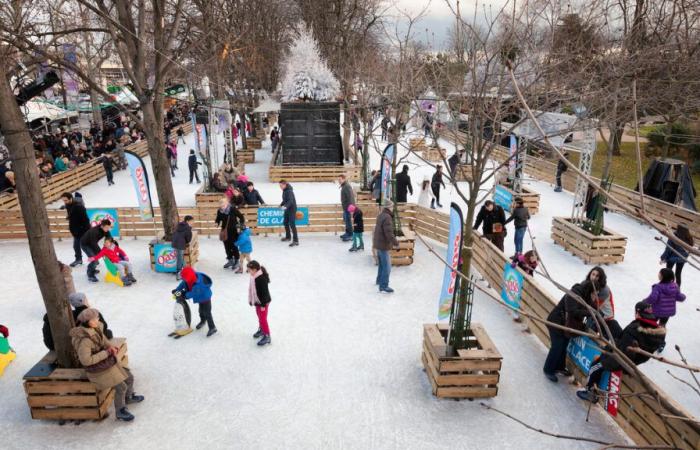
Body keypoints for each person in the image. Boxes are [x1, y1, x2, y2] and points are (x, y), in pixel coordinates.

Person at [576, 302, 666, 402]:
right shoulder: (658, 332)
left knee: (595, 366)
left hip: (621, 360)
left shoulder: (634, 329)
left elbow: (624, 352)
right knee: (614, 325)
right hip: (635, 360)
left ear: (638, 313)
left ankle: (590, 392)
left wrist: (605, 360)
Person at [70, 308, 144, 422]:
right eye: (94, 319)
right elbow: (86, 361)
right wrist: (106, 353)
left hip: (106, 363)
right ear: (87, 322)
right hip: (97, 370)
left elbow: (104, 341)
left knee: (129, 377)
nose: (97, 319)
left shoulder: (96, 329)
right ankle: (120, 411)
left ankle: (128, 397)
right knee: (121, 386)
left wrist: (110, 347)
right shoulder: (85, 340)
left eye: (97, 317)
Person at [543, 280, 598, 382]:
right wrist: (590, 313)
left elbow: (593, 308)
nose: (595, 296)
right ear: (589, 290)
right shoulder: (574, 293)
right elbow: (573, 311)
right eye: (594, 293)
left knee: (564, 345)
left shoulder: (585, 296)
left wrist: (597, 311)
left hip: (565, 325)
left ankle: (559, 367)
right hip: (556, 322)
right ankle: (548, 369)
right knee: (557, 346)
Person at [44, 292, 113, 351]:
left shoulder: (70, 315)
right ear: (82, 301)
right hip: (81, 344)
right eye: (86, 299)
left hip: (53, 345)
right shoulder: (90, 313)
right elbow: (104, 327)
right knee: (108, 333)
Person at [643, 268, 685, 352]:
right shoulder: (675, 286)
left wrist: (644, 301)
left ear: (663, 277)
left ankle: (649, 341)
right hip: (667, 313)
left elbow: (653, 298)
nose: (658, 274)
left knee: (651, 324)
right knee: (662, 326)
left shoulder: (658, 287)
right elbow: (680, 297)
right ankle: (661, 343)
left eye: (660, 274)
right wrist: (683, 296)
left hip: (656, 311)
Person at [174, 267, 217, 337]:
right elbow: (183, 283)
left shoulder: (199, 284)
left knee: (207, 313)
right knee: (201, 311)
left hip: (205, 298)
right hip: (200, 299)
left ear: (189, 278)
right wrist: (177, 290)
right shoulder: (189, 279)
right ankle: (203, 321)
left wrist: (184, 295)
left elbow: (193, 293)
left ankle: (212, 327)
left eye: (185, 278)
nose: (184, 280)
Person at [373, 200, 399, 293]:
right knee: (387, 267)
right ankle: (383, 286)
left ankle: (379, 280)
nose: (393, 208)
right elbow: (389, 233)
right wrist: (396, 242)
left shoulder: (381, 215)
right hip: (383, 245)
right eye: (392, 206)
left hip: (379, 244)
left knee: (381, 265)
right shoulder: (387, 217)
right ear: (389, 207)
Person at [61, 192, 91, 267]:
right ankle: (79, 259)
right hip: (75, 230)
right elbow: (72, 216)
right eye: (63, 201)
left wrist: (85, 230)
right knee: (76, 246)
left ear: (71, 198)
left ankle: (93, 259)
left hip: (83, 230)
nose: (65, 202)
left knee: (85, 246)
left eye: (66, 200)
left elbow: (86, 220)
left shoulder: (79, 207)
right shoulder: (68, 205)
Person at [215, 197, 245, 270]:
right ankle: (230, 259)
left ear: (227, 204)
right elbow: (218, 218)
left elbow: (241, 217)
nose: (222, 207)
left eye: (223, 205)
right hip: (224, 231)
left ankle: (237, 260)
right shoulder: (219, 211)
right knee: (226, 246)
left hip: (233, 230)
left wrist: (240, 226)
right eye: (221, 206)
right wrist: (217, 223)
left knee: (233, 245)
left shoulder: (232, 209)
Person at [247, 260, 272, 346]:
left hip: (263, 302)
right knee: (259, 316)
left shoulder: (260, 279)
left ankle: (267, 335)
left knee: (263, 319)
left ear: (254, 269)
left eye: (249, 270)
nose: (248, 271)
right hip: (258, 301)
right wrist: (251, 300)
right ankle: (262, 330)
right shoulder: (253, 276)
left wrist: (263, 305)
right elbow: (252, 290)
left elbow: (264, 293)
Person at [172, 215, 194, 280]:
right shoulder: (188, 227)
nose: (193, 222)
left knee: (180, 257)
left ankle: (185, 270)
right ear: (187, 221)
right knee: (180, 258)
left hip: (175, 243)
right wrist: (186, 241)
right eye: (192, 221)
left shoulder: (180, 225)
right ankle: (178, 273)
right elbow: (188, 239)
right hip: (180, 244)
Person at [279, 180, 298, 246]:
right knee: (285, 222)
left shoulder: (289, 191)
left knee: (292, 224)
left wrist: (285, 206)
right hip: (287, 209)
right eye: (279, 186)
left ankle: (296, 240)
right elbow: (285, 200)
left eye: (281, 185)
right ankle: (288, 237)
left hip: (292, 209)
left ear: (285, 185)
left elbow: (290, 201)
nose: (280, 187)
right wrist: (281, 205)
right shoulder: (285, 191)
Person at [339, 174, 355, 241]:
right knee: (346, 220)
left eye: (340, 179)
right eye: (338, 180)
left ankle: (350, 235)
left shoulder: (347, 186)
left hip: (348, 207)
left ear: (344, 179)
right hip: (345, 207)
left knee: (348, 221)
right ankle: (347, 232)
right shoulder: (344, 186)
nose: (339, 181)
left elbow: (351, 197)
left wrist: (351, 207)